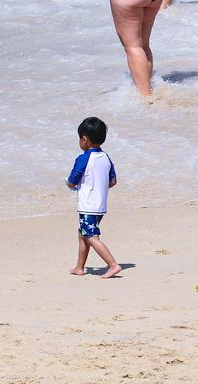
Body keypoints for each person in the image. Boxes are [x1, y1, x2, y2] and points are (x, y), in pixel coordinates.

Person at [66, 117, 121, 278]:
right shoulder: (106, 157)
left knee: (90, 236)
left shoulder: (83, 158)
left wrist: (70, 185)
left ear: (84, 139)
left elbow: (73, 179)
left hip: (88, 205)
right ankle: (79, 267)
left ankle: (113, 265)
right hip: (100, 205)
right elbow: (113, 181)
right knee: (83, 234)